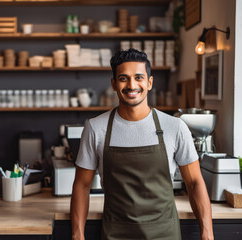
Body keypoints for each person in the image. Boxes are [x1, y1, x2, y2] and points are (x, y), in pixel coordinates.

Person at [70, 48, 214, 240]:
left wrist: (207, 233)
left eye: (139, 77)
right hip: (116, 233)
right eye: (123, 78)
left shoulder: (175, 127)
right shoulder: (96, 128)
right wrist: (77, 234)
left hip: (165, 233)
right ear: (114, 84)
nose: (132, 85)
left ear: (149, 82)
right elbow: (82, 185)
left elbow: (195, 182)